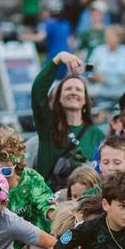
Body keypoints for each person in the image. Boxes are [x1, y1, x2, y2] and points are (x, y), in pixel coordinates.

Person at [30, 51, 105, 188]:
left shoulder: (97, 134)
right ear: (59, 98)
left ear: (85, 100)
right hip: (50, 202)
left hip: (84, 200)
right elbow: (38, 90)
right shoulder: (48, 125)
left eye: (78, 89)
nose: (73, 92)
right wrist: (58, 59)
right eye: (68, 89)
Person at [87, 25, 125, 98]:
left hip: (123, 88)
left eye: (111, 36)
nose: (108, 38)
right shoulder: (97, 50)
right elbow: (87, 71)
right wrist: (97, 77)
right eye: (106, 36)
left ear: (119, 38)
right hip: (101, 88)